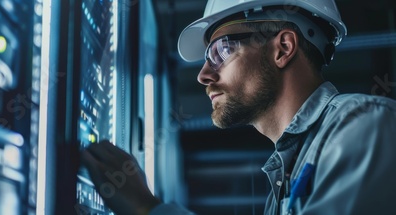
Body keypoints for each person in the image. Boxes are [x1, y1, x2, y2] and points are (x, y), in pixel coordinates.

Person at [82, 0, 396, 214]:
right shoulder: (285, 175)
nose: (204, 75)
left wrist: (150, 210)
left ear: (283, 48)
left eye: (221, 51)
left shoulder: (363, 125)